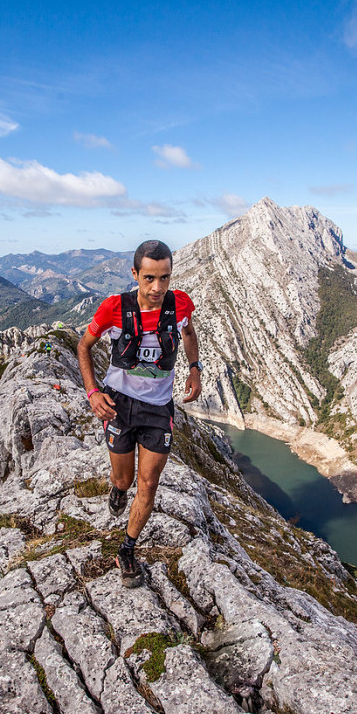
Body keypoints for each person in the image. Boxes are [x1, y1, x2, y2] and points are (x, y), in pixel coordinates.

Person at [77, 240, 202, 587]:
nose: (157, 288)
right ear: (135, 274)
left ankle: (127, 549)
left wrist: (194, 368)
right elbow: (83, 346)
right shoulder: (114, 308)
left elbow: (188, 332)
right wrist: (92, 392)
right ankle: (117, 490)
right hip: (119, 405)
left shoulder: (180, 305)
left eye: (164, 278)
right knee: (125, 480)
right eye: (149, 278)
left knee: (148, 483)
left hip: (158, 410)